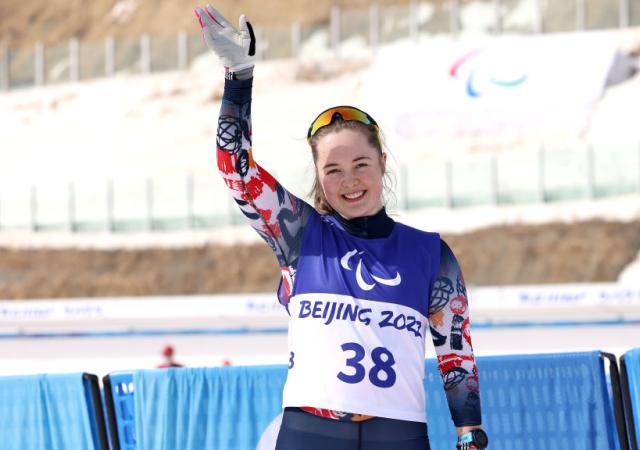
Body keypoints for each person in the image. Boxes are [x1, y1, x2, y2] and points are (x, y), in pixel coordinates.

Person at [194, 5, 488, 450]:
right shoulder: (299, 235)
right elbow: (237, 171)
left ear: (382, 163)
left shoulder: (431, 253)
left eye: (361, 164)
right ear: (317, 176)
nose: (350, 181)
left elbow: (455, 352)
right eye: (333, 170)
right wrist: (239, 79)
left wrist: (469, 433)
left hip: (398, 434)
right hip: (311, 433)